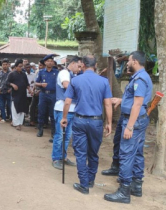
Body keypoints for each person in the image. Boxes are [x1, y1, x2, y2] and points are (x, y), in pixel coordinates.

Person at [104, 51, 152, 204]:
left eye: (129, 60)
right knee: (137, 153)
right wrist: (121, 100)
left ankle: (124, 191)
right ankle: (136, 186)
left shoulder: (140, 79)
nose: (127, 63)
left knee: (126, 154)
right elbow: (133, 99)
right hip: (137, 120)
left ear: (135, 62)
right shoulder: (140, 77)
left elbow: (138, 103)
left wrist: (129, 127)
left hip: (134, 121)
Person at [60, 55, 112, 195]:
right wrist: (109, 123)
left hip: (80, 121)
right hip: (96, 121)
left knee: (81, 153)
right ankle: (90, 180)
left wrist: (64, 118)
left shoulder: (75, 80)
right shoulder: (104, 81)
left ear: (82, 65)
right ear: (95, 66)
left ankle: (84, 184)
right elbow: (107, 103)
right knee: (93, 153)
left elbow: (67, 102)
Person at [51, 56, 81, 170]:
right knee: (60, 135)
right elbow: (66, 85)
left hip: (73, 109)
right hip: (63, 108)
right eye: (78, 66)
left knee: (67, 136)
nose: (79, 68)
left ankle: (63, 157)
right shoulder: (64, 73)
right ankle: (56, 158)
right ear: (72, 63)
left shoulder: (75, 74)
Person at [35, 54, 59, 141]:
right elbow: (36, 83)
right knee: (41, 112)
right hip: (43, 94)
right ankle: (40, 130)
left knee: (53, 114)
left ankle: (53, 132)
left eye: (51, 61)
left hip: (53, 95)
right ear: (45, 62)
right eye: (48, 61)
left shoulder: (57, 72)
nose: (50, 62)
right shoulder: (41, 72)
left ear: (53, 62)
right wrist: (41, 84)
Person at [7, 59, 32, 130]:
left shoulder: (24, 74)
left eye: (22, 66)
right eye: (19, 66)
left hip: (23, 94)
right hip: (15, 94)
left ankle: (19, 123)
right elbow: (7, 82)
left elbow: (27, 84)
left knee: (22, 110)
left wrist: (29, 90)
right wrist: (13, 85)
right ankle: (16, 123)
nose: (21, 68)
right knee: (15, 109)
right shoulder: (12, 74)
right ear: (16, 67)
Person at [29, 60, 45, 126]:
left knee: (40, 109)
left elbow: (46, 85)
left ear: (44, 66)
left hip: (42, 93)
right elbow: (35, 83)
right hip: (35, 93)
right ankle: (32, 121)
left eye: (40, 65)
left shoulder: (45, 73)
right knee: (32, 107)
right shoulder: (38, 72)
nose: (39, 66)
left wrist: (40, 91)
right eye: (38, 65)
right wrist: (33, 90)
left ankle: (41, 123)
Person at [0, 58, 12, 123]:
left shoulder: (11, 73)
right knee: (2, 105)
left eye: (6, 64)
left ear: (8, 65)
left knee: (9, 105)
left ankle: (11, 117)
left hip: (8, 91)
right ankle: (4, 118)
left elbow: (14, 82)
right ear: (2, 65)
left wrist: (11, 89)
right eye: (3, 64)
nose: (5, 66)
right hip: (0, 91)